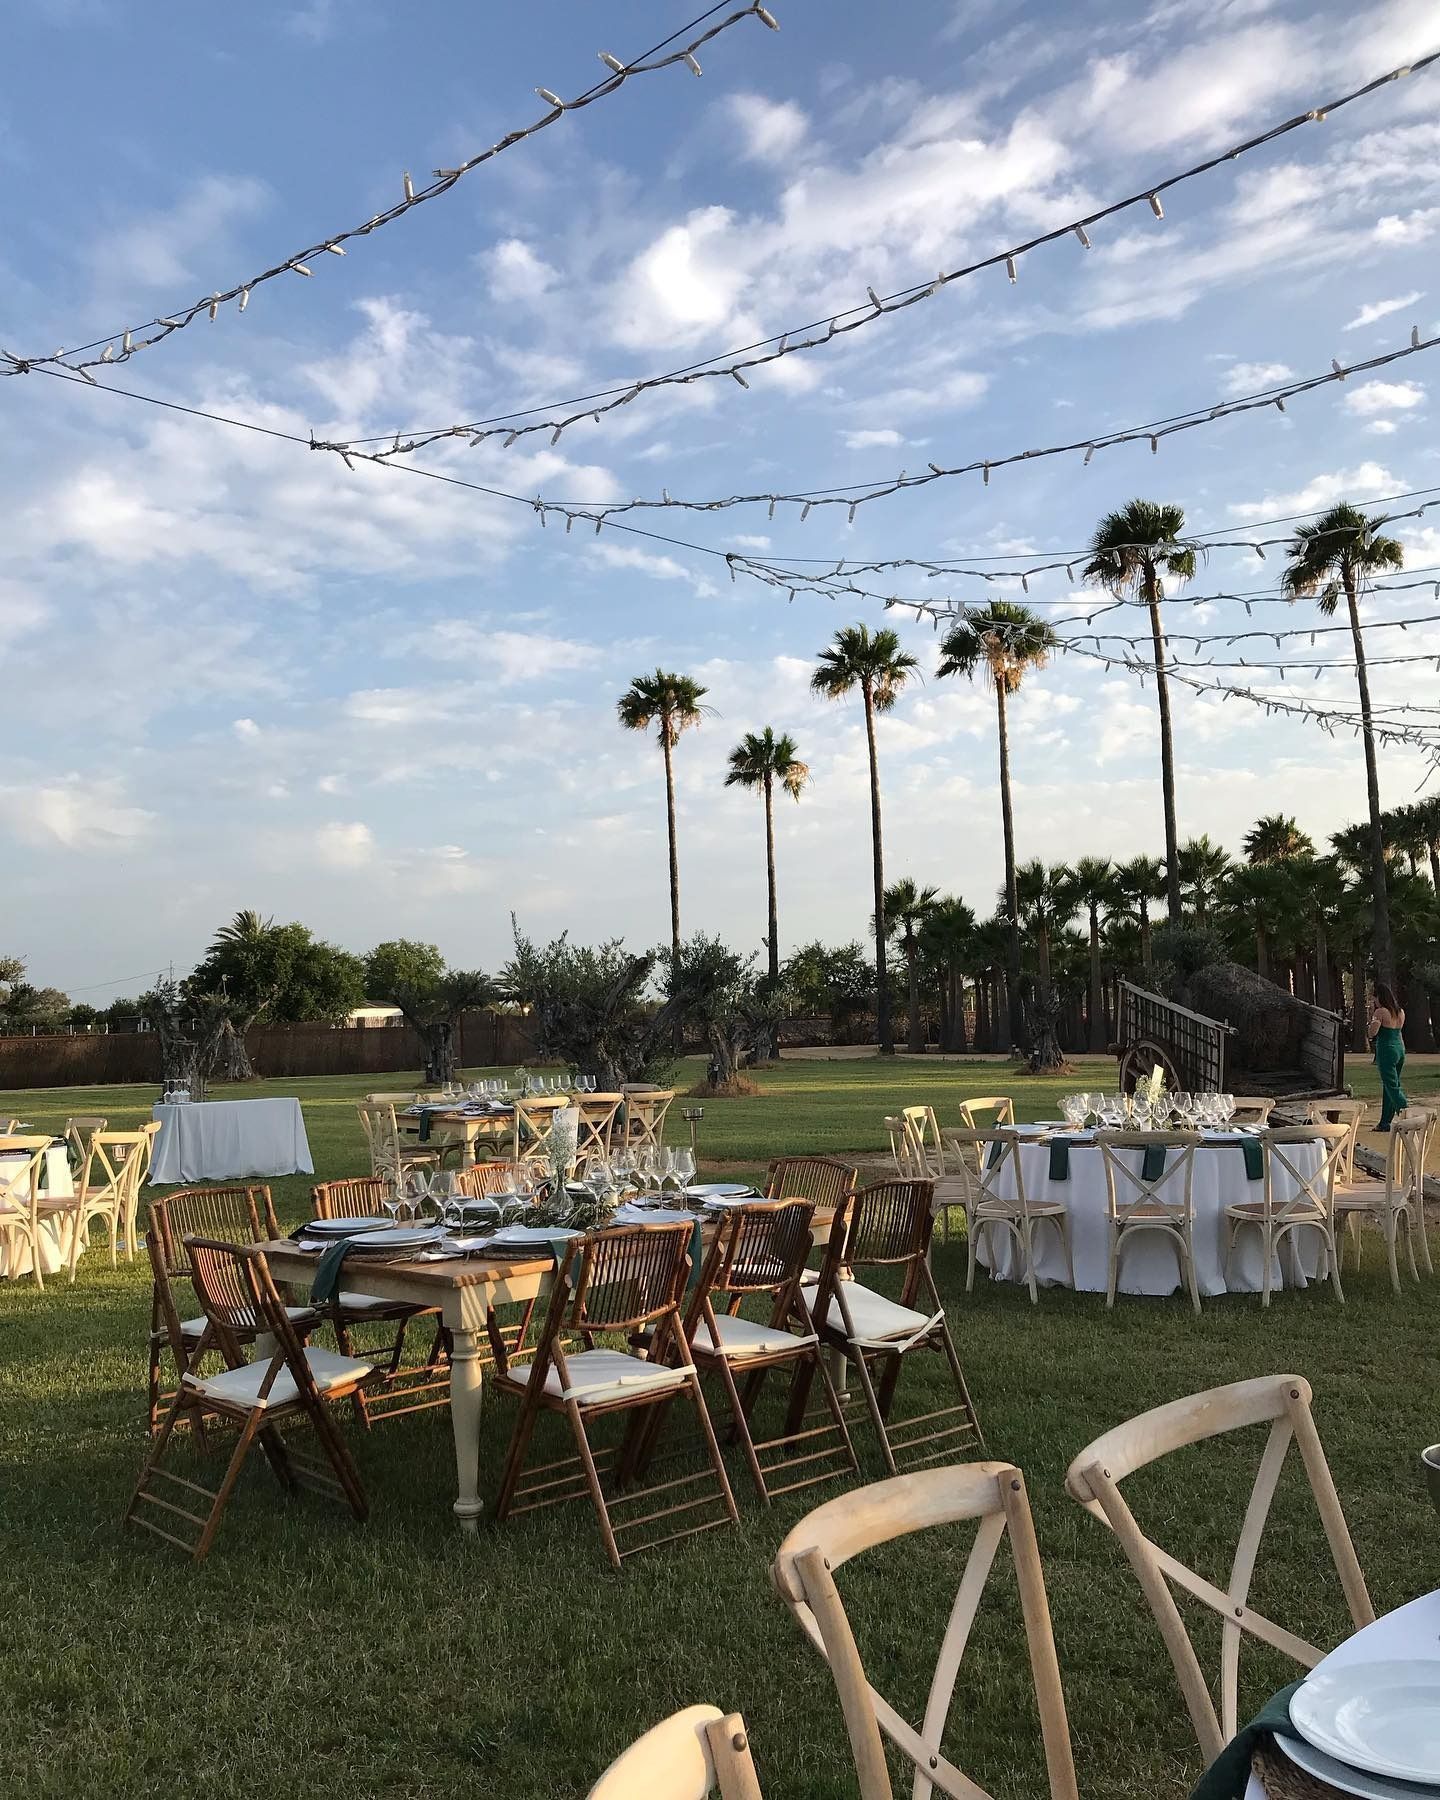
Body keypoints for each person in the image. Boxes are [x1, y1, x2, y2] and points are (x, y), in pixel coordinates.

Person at [1369, 983, 1408, 1130]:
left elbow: (1372, 1033)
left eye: (1375, 998)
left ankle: (1407, 1113)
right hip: (1400, 1048)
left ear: (1379, 997)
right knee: (1390, 1086)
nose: (1375, 1001)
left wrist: (1372, 1020)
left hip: (1386, 1050)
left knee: (1392, 1086)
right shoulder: (1400, 1012)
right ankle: (1385, 1122)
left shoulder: (1380, 1012)